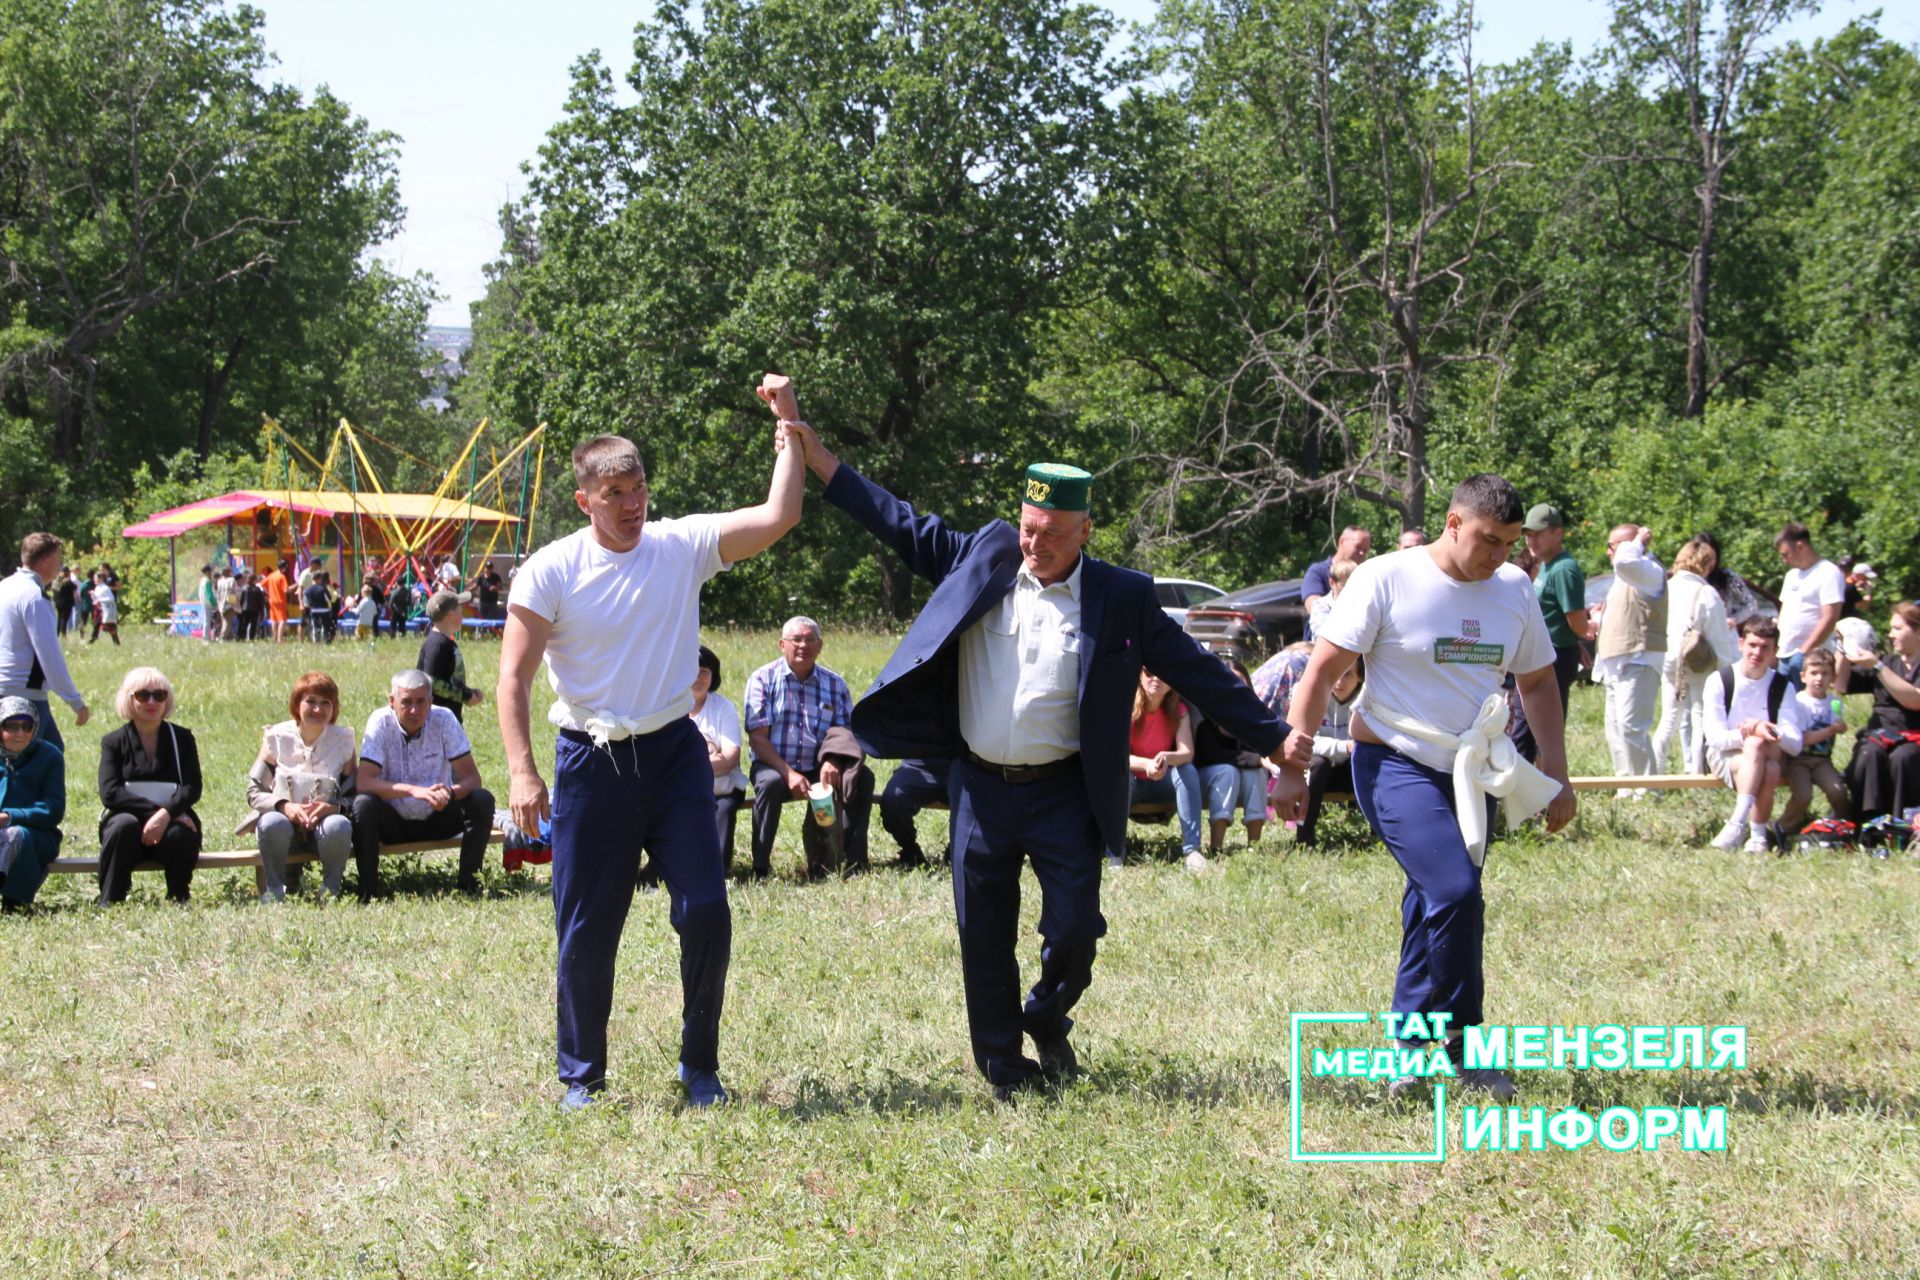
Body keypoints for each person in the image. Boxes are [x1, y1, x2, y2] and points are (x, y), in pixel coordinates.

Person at [783, 415, 1300, 1101]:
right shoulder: (987, 557)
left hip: (1065, 790)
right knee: (983, 932)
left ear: (1086, 530)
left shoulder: (1121, 596)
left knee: (1077, 928)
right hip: (979, 788)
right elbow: (899, 523)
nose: (1035, 545)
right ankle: (1003, 1066)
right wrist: (817, 457)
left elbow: (1197, 671)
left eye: (1053, 534)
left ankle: (1047, 1014)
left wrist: (1276, 743)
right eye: (1028, 528)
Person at [497, 391, 804, 1112]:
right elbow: (511, 676)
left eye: (638, 491)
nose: (632, 505)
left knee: (706, 910)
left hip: (674, 755)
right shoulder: (550, 571)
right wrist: (520, 769)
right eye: (614, 494)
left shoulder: (681, 545)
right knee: (587, 926)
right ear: (584, 500)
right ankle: (582, 1077)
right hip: (589, 761)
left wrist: (787, 426)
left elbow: (778, 516)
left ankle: (700, 1068)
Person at [1285, 474, 1576, 1101]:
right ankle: (1464, 1048)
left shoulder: (1515, 590)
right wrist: (1291, 765)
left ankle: (1409, 1050)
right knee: (1455, 890)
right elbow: (1322, 670)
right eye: (1487, 540)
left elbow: (1539, 684)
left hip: (1470, 771)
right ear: (1452, 523)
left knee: (1434, 901)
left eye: (1509, 544)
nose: (1498, 555)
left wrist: (1557, 773)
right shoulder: (1387, 576)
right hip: (1392, 759)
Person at [744, 616, 876, 878]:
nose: (803, 645)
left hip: (819, 765)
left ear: (820, 645)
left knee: (863, 778)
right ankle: (760, 866)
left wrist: (834, 761)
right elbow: (758, 738)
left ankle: (853, 861)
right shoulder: (762, 679)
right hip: (774, 764)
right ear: (783, 644)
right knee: (769, 785)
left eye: (810, 639)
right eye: (796, 639)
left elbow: (846, 732)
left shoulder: (834, 684)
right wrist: (789, 774)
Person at [350, 669, 493, 900]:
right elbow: (364, 782)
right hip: (393, 821)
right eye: (406, 702)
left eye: (421, 702)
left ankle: (469, 887)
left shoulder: (444, 718)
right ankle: (367, 892)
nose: (414, 710)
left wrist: (448, 793)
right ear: (392, 701)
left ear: (431, 701)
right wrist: (415, 791)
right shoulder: (380, 722)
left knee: (482, 800)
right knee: (363, 804)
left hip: (438, 815)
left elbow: (472, 779)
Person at [245, 671, 357, 901]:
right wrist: (284, 806)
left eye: (326, 703)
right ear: (297, 704)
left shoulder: (344, 740)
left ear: (334, 708)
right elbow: (254, 791)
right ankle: (275, 891)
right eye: (311, 701)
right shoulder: (276, 737)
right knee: (271, 822)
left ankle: (331, 892)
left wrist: (332, 808)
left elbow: (353, 794)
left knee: (339, 825)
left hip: (323, 829)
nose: (318, 709)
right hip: (283, 825)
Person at [96, 667, 203, 903]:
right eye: (143, 695)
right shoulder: (113, 742)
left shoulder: (182, 738)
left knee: (181, 833)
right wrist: (157, 813)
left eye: (160, 695)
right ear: (129, 699)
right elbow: (110, 792)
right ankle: (110, 900)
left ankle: (179, 897)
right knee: (123, 825)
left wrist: (167, 815)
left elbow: (192, 787)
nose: (152, 701)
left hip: (171, 820)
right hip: (128, 823)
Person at [1702, 619, 1805, 853]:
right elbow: (1716, 739)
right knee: (1763, 758)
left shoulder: (1782, 686)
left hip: (1768, 754)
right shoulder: (1720, 681)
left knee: (1760, 750)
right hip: (1726, 757)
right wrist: (1749, 734)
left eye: (1765, 647)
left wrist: (1763, 728)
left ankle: (1740, 825)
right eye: (1752, 645)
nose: (1757, 652)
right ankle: (1755, 835)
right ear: (1741, 644)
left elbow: (1795, 744)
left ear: (1775, 652)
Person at [1651, 538, 1736, 774]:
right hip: (1698, 664)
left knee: (1669, 719)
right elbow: (1719, 638)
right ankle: (1697, 775)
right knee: (1700, 717)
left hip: (1668, 660)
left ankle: (1654, 775)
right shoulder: (1706, 593)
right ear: (1707, 564)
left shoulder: (1666, 588)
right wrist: (1727, 671)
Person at [1, 533, 91, 751]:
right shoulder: (34, 597)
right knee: (25, 768)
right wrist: (75, 701)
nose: (60, 565)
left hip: (7, 688)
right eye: (59, 559)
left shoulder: (5, 587)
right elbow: (49, 656)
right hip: (25, 695)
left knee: (53, 752)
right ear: (46, 561)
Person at [1593, 524, 1666, 785]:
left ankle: (1647, 788)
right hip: (1617, 661)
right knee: (1615, 730)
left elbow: (1624, 561)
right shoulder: (1628, 575)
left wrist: (1638, 541)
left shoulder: (1648, 570)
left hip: (1639, 658)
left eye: (1612, 546)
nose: (1609, 553)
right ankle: (1626, 785)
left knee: (1632, 728)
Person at [1840, 601, 1920, 825]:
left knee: (1903, 758)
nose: (1891, 634)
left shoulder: (1881, 665)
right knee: (1869, 753)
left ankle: (1903, 825)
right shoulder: (1887, 662)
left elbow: (1915, 700)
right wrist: (1841, 647)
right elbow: (1841, 685)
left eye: (1897, 628)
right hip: (1881, 733)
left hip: (1914, 737)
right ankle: (1867, 824)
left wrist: (1877, 667)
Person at [1127, 668, 1205, 871]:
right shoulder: (1126, 707)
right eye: (1149, 673)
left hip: (1162, 781)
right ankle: (1114, 852)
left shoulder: (1179, 710)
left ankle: (1192, 850)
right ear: (1140, 676)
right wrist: (1146, 764)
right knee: (1119, 777)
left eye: (1163, 674)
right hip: (1132, 782)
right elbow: (1115, 758)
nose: (1156, 679)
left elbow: (1186, 752)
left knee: (1187, 771)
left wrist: (1166, 758)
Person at [1192, 656, 1268, 857]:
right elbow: (1210, 754)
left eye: (1240, 682)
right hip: (1206, 779)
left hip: (1238, 779)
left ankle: (1254, 846)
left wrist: (1256, 760)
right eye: (1228, 680)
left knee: (1256, 774)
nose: (1234, 687)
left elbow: (1258, 750)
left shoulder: (1253, 715)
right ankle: (1216, 847)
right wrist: (1255, 759)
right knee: (1227, 771)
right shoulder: (1202, 713)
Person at [1520, 505, 1588, 716]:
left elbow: (1576, 622)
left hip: (1555, 657)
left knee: (1545, 724)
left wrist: (1585, 631)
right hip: (1544, 654)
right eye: (1528, 535)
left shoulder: (1563, 569)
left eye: (1538, 535)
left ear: (1558, 533)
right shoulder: (1547, 565)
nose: (1531, 541)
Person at [0, 695, 65, 914]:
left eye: (26, 726)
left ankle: (15, 902)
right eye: (11, 726)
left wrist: (10, 817)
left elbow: (53, 809)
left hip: (38, 836)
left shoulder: (50, 756)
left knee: (17, 835)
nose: (19, 733)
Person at [1777, 650, 1849, 835]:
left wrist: (1841, 727)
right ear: (1803, 676)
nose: (1819, 678)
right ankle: (1783, 827)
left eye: (1825, 674)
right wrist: (1831, 730)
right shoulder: (1799, 702)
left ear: (1832, 677)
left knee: (1838, 791)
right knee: (1803, 795)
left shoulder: (1834, 702)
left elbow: (1838, 725)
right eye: (1814, 673)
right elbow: (1802, 739)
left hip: (1822, 760)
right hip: (1798, 760)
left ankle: (1842, 826)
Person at [690, 644, 749, 869]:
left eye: (705, 671)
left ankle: (717, 870)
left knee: (723, 809)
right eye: (693, 670)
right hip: (683, 789)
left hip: (723, 788)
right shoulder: (670, 708)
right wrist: (709, 758)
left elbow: (731, 758)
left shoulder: (723, 708)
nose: (698, 677)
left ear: (713, 676)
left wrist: (689, 766)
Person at [1296, 657, 1364, 849]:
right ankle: (1304, 837)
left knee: (1370, 761)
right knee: (1318, 763)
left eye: (1348, 674)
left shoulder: (1367, 699)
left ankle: (1377, 835)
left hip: (1351, 770)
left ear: (1359, 677)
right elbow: (1305, 740)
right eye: (1337, 675)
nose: (1340, 682)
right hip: (1320, 774)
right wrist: (1345, 746)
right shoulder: (1313, 696)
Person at [1774, 522, 1845, 685]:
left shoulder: (1828, 573)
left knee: (1805, 706)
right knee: (1782, 707)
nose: (1784, 560)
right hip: (1783, 654)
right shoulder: (1792, 576)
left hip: (1809, 658)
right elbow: (1784, 613)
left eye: (1786, 554)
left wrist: (1804, 651)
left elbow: (1830, 617)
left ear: (1800, 546)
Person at [876, 756, 954, 868]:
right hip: (916, 765)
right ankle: (910, 849)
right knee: (893, 799)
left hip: (960, 764)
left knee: (975, 798)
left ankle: (957, 849)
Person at [417, 590, 482, 722]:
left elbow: (447, 679)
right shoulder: (436, 645)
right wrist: (465, 695)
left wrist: (468, 691)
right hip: (436, 722)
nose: (462, 614)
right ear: (451, 615)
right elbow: (431, 682)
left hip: (448, 719)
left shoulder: (444, 642)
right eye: (460, 610)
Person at [1301, 526, 1372, 614]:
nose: (1362, 553)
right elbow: (1314, 609)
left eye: (1365, 550)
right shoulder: (1318, 572)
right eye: (1358, 547)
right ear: (1342, 541)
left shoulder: (1365, 575)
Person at [1306, 557, 1357, 643]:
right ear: (1332, 583)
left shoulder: (1362, 604)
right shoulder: (1321, 605)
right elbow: (1322, 636)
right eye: (1344, 584)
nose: (1350, 589)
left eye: (1354, 584)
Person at [88, 570, 120, 646]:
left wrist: (100, 600)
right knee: (96, 624)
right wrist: (93, 595)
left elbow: (111, 598)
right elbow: (95, 599)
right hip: (99, 610)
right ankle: (93, 638)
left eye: (96, 578)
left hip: (105, 610)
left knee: (110, 626)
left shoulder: (105, 588)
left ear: (101, 579)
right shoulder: (97, 587)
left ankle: (116, 641)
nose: (94, 580)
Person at [264, 561, 290, 643]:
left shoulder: (271, 575)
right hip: (280, 601)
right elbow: (286, 590)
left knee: (274, 619)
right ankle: (280, 639)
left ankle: (274, 637)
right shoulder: (282, 577)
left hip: (272, 601)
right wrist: (296, 585)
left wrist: (268, 594)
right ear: (284, 568)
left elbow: (262, 584)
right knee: (282, 620)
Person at [239, 572, 266, 641]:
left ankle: (242, 637)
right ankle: (251, 638)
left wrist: (240, 608)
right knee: (253, 625)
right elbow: (261, 601)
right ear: (254, 580)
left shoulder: (244, 588)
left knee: (244, 624)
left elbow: (241, 600)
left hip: (245, 609)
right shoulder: (257, 590)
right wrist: (262, 611)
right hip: (255, 610)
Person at [357, 574, 384, 642]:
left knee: (363, 624)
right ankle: (375, 637)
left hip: (364, 610)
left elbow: (358, 601)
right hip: (374, 609)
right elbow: (382, 600)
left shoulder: (363, 589)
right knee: (374, 625)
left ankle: (362, 638)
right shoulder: (377, 589)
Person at [216, 566, 238, 642]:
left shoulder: (219, 581)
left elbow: (218, 593)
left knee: (224, 621)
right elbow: (233, 592)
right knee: (227, 623)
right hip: (229, 603)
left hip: (221, 604)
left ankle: (229, 638)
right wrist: (233, 604)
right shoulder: (231, 580)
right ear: (229, 572)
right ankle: (222, 638)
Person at [196, 565, 217, 642]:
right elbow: (210, 595)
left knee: (206, 620)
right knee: (207, 621)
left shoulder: (203, 580)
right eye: (211, 571)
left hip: (204, 603)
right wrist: (215, 604)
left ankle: (206, 637)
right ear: (208, 572)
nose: (211, 573)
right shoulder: (207, 581)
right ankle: (206, 638)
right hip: (208, 603)